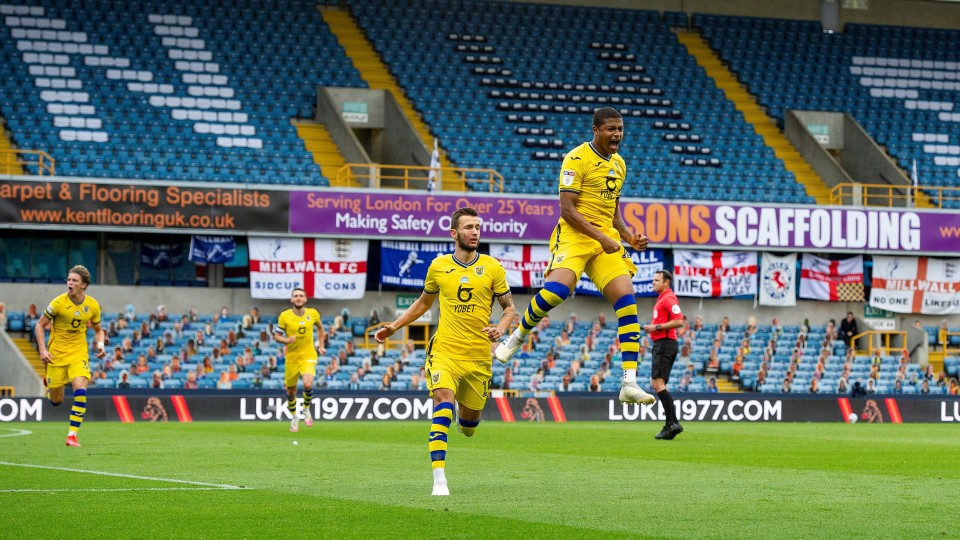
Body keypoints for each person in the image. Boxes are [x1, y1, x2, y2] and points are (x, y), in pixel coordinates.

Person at [494, 107, 654, 407]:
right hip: (576, 235)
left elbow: (613, 212)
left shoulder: (619, 164)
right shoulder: (576, 158)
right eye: (611, 129)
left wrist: (628, 236)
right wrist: (603, 238)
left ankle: (629, 382)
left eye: (620, 128)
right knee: (557, 292)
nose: (617, 134)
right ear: (595, 130)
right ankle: (516, 336)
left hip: (604, 239)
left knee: (627, 301)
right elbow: (567, 209)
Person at [374, 206, 515, 497]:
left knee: (468, 426)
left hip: (478, 357)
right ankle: (439, 479)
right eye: (468, 227)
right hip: (445, 352)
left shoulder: (493, 267)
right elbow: (424, 303)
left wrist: (501, 327)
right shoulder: (438, 266)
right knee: (443, 400)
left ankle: (464, 425)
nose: (474, 232)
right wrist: (395, 326)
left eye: (477, 227)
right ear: (454, 233)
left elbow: (509, 308)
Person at [34, 265, 105, 447]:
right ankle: (49, 384)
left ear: (84, 285)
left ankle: (72, 435)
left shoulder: (93, 305)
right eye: (69, 280)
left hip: (78, 353)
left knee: (80, 388)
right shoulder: (58, 303)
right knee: (56, 400)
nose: (70, 283)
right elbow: (39, 326)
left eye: (74, 280)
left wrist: (100, 344)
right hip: (56, 355)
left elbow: (98, 330)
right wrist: (42, 350)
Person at [639, 270, 684, 440]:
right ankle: (672, 424)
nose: (653, 282)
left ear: (666, 282)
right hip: (662, 343)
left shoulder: (669, 298)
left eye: (657, 280)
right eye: (653, 280)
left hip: (665, 343)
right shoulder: (662, 299)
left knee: (658, 384)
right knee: (658, 384)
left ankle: (671, 424)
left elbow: (679, 320)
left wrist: (656, 328)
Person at [274, 287, 326, 433]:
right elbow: (276, 336)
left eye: (301, 296)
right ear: (291, 299)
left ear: (305, 299)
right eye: (295, 296)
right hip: (291, 359)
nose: (298, 298)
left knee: (308, 384)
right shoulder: (284, 316)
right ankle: (294, 417)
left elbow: (321, 329)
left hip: (308, 356)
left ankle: (306, 409)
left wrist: (321, 345)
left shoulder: (313, 313)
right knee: (291, 391)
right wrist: (286, 340)